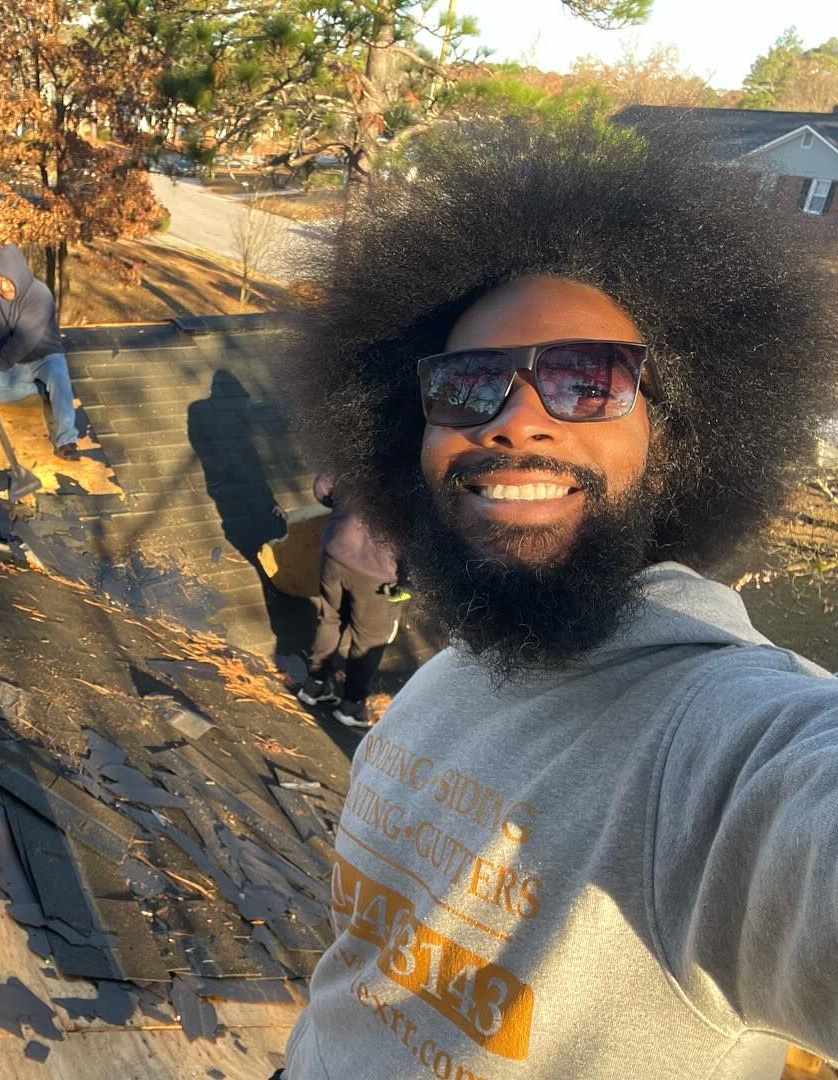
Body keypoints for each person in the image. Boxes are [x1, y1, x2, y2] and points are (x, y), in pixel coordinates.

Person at [278, 116, 838, 1078]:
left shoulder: (726, 744)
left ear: (679, 436)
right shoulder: (448, 676)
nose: (515, 422)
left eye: (587, 381)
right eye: (468, 385)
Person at [295, 473, 407, 730]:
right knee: (370, 640)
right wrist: (405, 589)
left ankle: (314, 684)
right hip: (378, 575)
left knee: (330, 618)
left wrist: (342, 507)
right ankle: (352, 705)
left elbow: (323, 486)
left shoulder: (360, 453)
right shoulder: (421, 473)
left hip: (336, 553)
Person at [0, 243, 80, 460]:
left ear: (19, 276)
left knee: (59, 378)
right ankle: (41, 389)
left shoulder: (39, 295)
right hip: (16, 363)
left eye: (8, 281)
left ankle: (66, 440)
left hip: (45, 356)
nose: (3, 287)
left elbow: (24, 340)